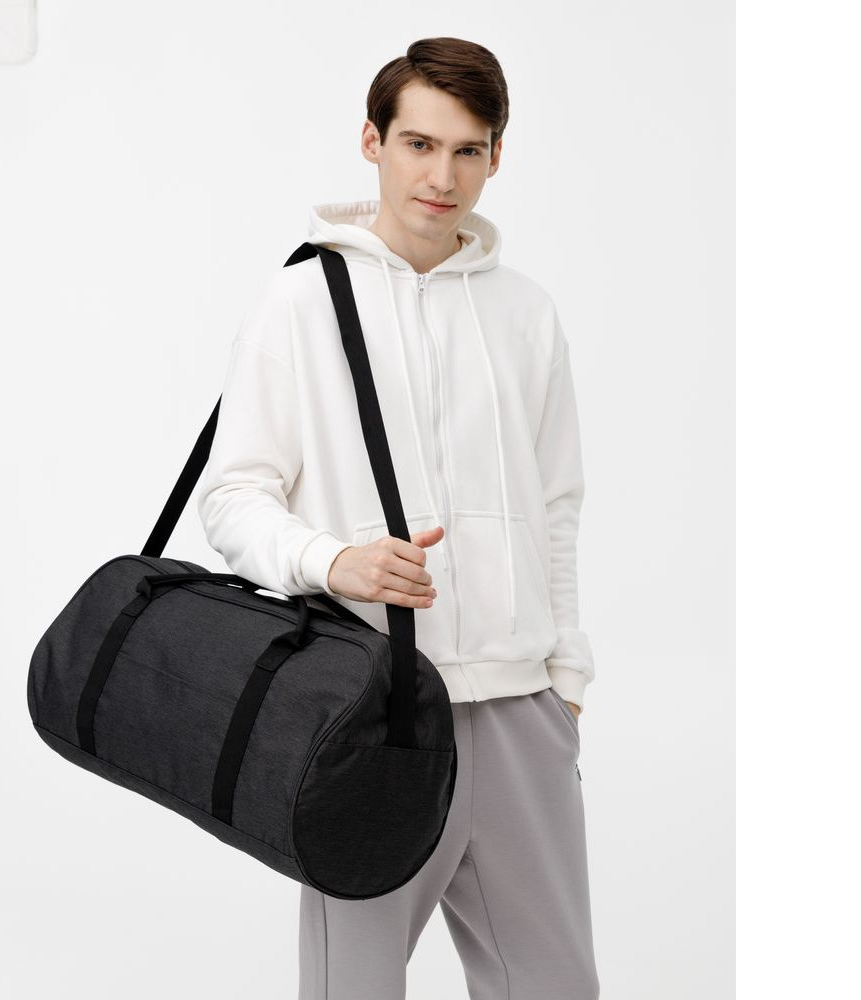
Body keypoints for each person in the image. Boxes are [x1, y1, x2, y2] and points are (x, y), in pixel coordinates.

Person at [194, 36, 600, 1000]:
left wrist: (566, 679)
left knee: (556, 987)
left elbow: (556, 506)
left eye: (467, 151)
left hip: (519, 711)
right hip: (370, 714)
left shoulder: (526, 313)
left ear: (495, 157)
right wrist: (333, 562)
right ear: (372, 142)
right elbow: (232, 496)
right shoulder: (300, 302)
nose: (441, 176)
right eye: (419, 144)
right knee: (355, 987)